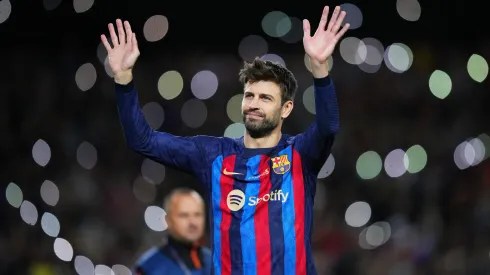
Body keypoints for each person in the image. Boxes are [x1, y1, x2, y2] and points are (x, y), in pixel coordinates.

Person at [101, 5, 349, 274]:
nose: (254, 104)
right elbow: (143, 141)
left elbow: (328, 127)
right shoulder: (213, 155)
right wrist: (123, 78)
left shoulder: (300, 155)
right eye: (249, 96)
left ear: (286, 108)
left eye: (265, 98)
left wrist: (320, 69)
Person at [134, 188, 212, 275]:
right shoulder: (148, 267)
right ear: (168, 220)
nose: (192, 222)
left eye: (197, 214)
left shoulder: (217, 262)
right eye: (184, 215)